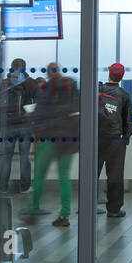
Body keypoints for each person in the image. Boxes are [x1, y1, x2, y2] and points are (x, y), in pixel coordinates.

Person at [26, 62, 79, 228]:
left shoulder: (46, 89)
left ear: (48, 74)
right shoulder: (72, 88)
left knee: (39, 177)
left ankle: (33, 210)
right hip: (68, 140)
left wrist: (31, 118)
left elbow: (39, 114)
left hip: (49, 139)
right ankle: (64, 215)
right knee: (64, 177)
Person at [0, 59, 38, 195]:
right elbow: (36, 97)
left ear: (12, 68)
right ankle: (24, 187)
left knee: (7, 157)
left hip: (8, 126)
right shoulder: (29, 82)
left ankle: (3, 187)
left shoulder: (5, 83)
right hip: (24, 125)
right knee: (25, 157)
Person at [98, 63, 132, 218]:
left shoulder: (98, 91)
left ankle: (86, 205)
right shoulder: (124, 95)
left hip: (96, 138)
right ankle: (114, 209)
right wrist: (126, 138)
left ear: (109, 73)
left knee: (91, 173)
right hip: (115, 140)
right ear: (122, 76)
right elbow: (128, 120)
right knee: (115, 175)